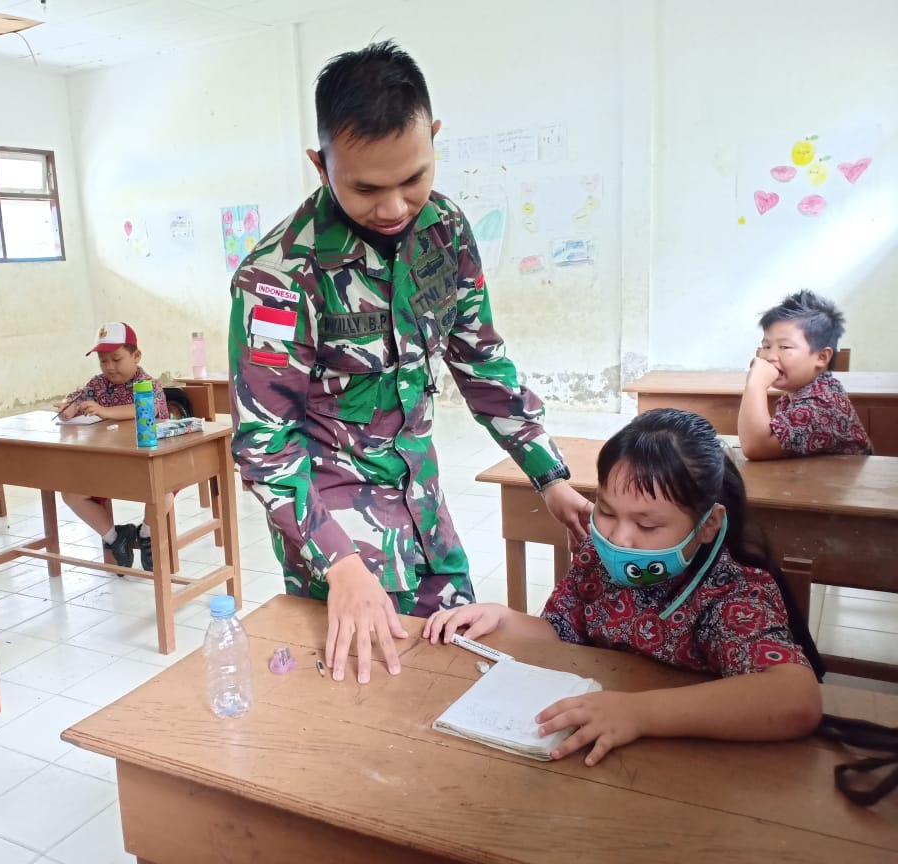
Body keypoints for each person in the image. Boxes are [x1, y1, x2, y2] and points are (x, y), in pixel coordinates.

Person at [228, 41, 592, 684]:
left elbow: (480, 358)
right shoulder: (279, 277)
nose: (395, 207)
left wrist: (550, 475)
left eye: (413, 178)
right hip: (336, 530)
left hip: (427, 509)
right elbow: (265, 446)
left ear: (435, 141)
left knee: (462, 671)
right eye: (366, 187)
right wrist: (337, 566)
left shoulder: (445, 229)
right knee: (364, 695)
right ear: (321, 164)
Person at [424, 408, 824, 766]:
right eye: (608, 512)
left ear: (708, 526)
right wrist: (503, 618)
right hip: (597, 751)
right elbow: (561, 632)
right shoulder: (597, 559)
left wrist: (639, 713)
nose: (620, 538)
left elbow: (796, 699)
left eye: (647, 525)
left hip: (689, 766)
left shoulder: (731, 592)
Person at [54, 321, 170, 571]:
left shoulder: (148, 383)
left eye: (116, 359)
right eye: (103, 361)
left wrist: (105, 411)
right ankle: (116, 538)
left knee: (164, 491)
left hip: (146, 464)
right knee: (70, 493)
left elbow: (146, 409)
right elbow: (76, 400)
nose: (109, 367)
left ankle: (146, 534)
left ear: (136, 356)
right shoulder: (97, 385)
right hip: (105, 464)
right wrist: (68, 409)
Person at [738, 289, 872, 459]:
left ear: (822, 357)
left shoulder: (822, 403)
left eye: (785, 347)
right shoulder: (800, 393)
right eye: (766, 346)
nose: (770, 357)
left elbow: (755, 448)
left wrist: (756, 384)